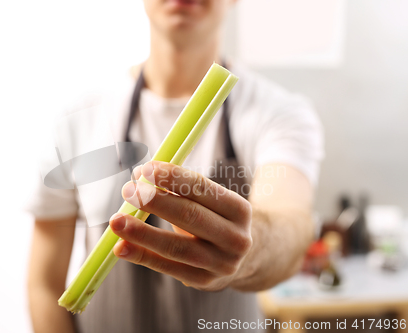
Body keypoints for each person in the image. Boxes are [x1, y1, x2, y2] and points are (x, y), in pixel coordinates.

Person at [26, 0, 324, 332]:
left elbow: (291, 225)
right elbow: (44, 284)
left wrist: (245, 254)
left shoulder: (278, 113)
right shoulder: (77, 119)